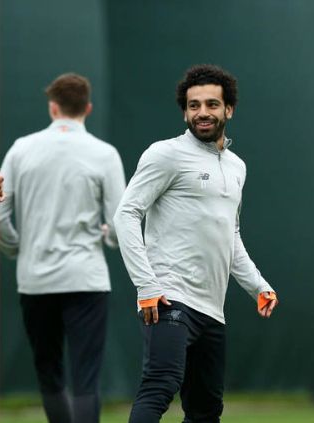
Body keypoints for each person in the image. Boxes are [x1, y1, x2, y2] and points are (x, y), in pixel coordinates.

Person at [114, 64, 279, 423]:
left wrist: (258, 286)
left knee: (206, 411)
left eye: (211, 104)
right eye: (193, 105)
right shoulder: (165, 154)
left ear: (228, 109)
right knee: (160, 385)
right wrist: (147, 285)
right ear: (185, 111)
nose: (202, 112)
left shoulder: (237, 166)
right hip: (168, 297)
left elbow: (229, 234)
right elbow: (126, 214)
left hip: (212, 309)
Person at [0, 73, 125, 422]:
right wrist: (108, 237)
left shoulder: (21, 149)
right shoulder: (104, 153)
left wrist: (15, 248)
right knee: (86, 377)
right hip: (86, 278)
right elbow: (120, 220)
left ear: (53, 108)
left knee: (48, 371)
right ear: (88, 108)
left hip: (35, 278)